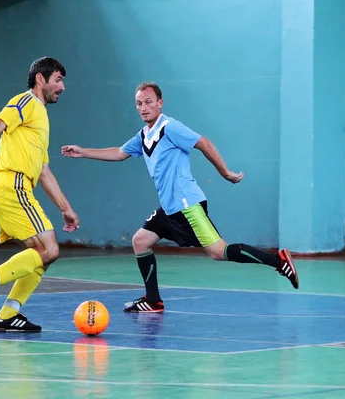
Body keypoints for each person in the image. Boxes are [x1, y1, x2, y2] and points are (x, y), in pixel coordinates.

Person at [61, 82, 298, 313]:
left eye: (148, 102)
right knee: (140, 241)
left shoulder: (170, 127)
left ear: (160, 103)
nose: (143, 107)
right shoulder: (144, 135)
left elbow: (203, 143)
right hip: (169, 208)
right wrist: (83, 152)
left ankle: (279, 261)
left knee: (219, 252)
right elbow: (119, 153)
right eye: (139, 103)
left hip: (187, 205)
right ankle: (153, 300)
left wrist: (225, 172)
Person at [0, 57, 80, 332]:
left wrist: (65, 207)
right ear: (41, 79)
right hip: (11, 185)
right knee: (49, 249)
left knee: (42, 254)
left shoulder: (41, 117)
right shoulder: (27, 101)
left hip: (15, 188)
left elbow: (43, 170)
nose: (62, 86)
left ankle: (8, 313)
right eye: (58, 79)